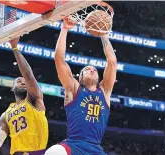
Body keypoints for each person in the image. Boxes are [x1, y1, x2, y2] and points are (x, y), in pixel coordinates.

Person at [45, 18, 117, 155]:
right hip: (73, 145)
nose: (92, 70)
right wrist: (65, 29)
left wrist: (104, 35)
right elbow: (59, 59)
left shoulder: (105, 91)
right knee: (53, 152)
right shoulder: (74, 88)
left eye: (95, 70)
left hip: (95, 148)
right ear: (80, 78)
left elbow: (112, 62)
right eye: (87, 69)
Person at [0, 37, 48, 155]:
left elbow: (29, 75)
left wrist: (15, 48)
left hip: (37, 152)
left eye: (24, 81)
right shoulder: (5, 115)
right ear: (13, 88)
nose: (23, 82)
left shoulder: (35, 99)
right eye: (19, 81)